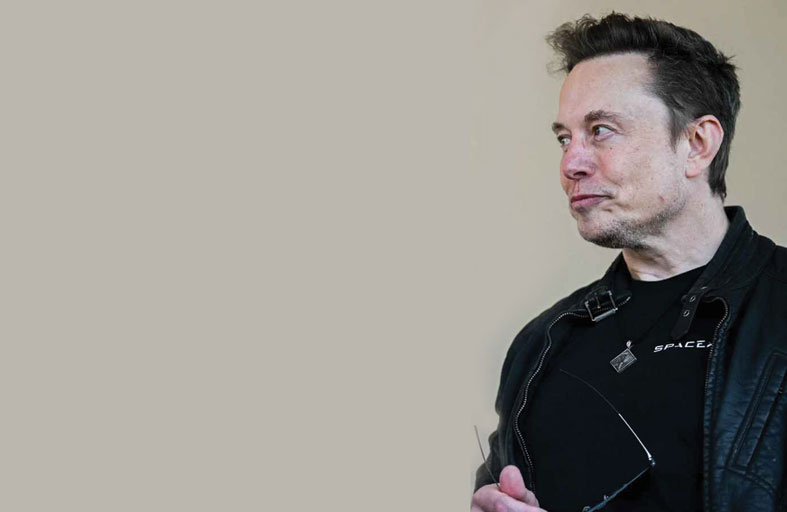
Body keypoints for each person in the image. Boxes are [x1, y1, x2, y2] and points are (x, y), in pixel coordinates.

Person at [471, 13, 787, 512]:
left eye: (601, 131)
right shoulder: (543, 342)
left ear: (697, 144)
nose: (570, 164)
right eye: (564, 138)